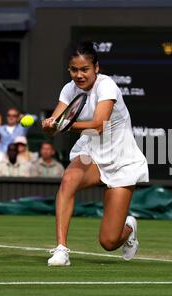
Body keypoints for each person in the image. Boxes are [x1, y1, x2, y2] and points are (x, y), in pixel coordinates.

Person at [41, 41, 149, 266]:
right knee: (68, 179)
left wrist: (63, 125)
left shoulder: (107, 86)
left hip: (122, 160)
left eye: (84, 69)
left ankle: (129, 228)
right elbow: (56, 126)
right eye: (74, 69)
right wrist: (49, 126)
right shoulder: (69, 89)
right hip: (91, 153)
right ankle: (61, 250)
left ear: (96, 68)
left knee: (109, 242)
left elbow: (99, 125)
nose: (79, 75)